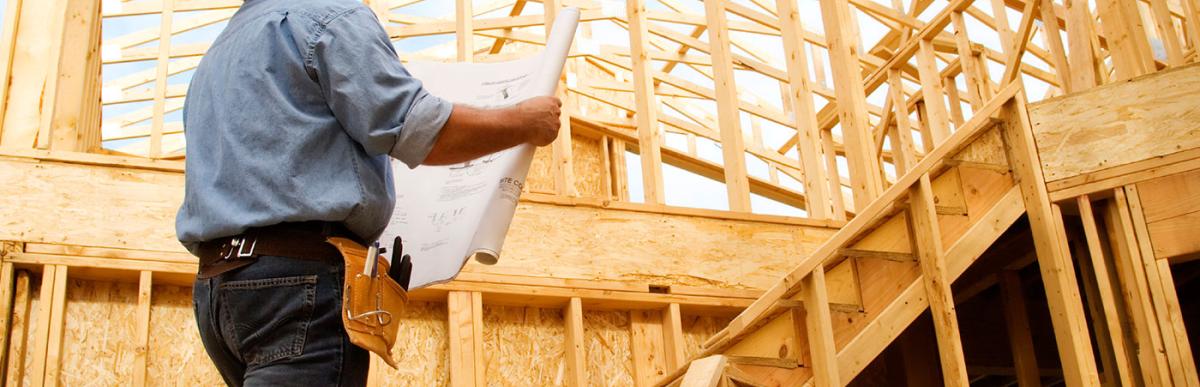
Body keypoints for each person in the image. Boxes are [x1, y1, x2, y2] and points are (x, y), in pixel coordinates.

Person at [175, 0, 561, 385]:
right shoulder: (329, 17)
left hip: (218, 288)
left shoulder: (219, 52)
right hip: (297, 286)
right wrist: (524, 121)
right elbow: (421, 130)